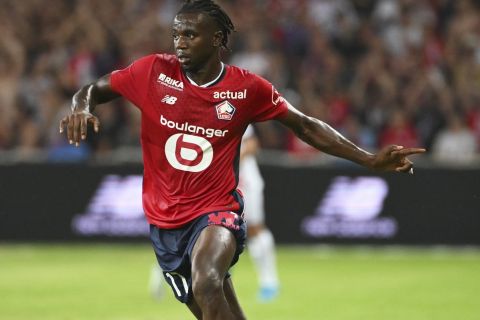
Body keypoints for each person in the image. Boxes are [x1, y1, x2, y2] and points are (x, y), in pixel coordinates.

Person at [59, 1, 425, 319]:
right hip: (165, 222)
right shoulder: (152, 72)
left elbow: (305, 126)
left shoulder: (247, 88)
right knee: (217, 311)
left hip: (217, 212)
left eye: (190, 35)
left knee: (207, 280)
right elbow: (93, 89)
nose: (180, 44)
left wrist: (368, 160)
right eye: (177, 35)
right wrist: (80, 107)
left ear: (217, 39)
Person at [239, 125, 279, 302]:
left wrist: (229, 158)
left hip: (246, 181)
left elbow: (252, 145)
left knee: (255, 228)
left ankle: (269, 281)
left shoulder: (234, 111)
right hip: (225, 182)